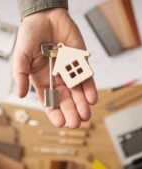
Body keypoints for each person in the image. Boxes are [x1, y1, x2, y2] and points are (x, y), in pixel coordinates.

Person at [13, 0, 98, 128]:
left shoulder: (62, 56)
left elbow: (58, 68)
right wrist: (41, 11)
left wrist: (41, 9)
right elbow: (56, 70)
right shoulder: (57, 59)